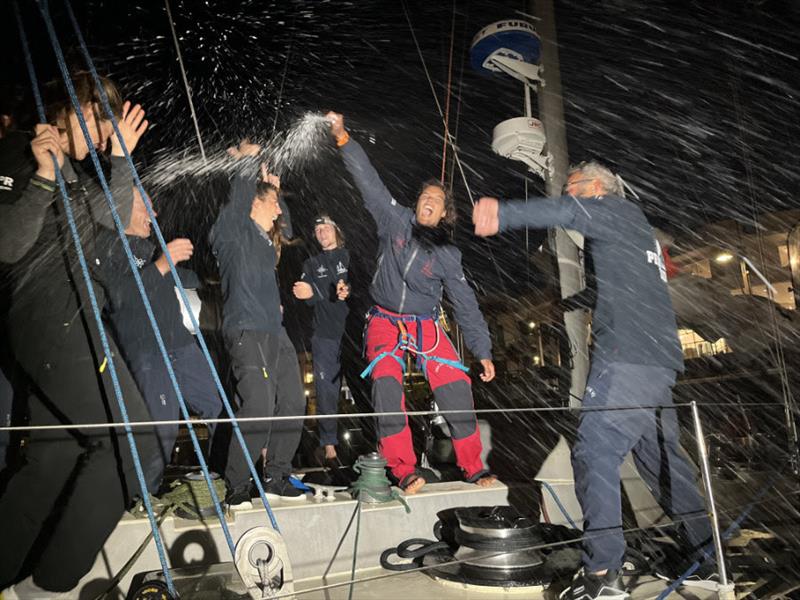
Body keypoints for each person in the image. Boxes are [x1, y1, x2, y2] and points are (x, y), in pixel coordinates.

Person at [473, 162, 715, 600]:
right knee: (661, 463)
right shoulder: (636, 227)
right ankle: (707, 559)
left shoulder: (610, 207)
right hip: (658, 363)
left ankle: (603, 574)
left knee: (593, 451)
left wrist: (503, 213)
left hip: (627, 360)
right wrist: (574, 301)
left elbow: (567, 213)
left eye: (572, 188)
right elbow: (626, 284)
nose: (569, 195)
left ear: (596, 188)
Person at [0, 72, 158, 593]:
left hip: (73, 322)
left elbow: (110, 217)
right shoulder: (22, 151)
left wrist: (121, 159)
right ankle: (52, 584)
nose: (102, 128)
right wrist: (43, 176)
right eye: (97, 114)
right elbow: (6, 244)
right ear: (69, 106)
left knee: (56, 457)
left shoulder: (77, 173)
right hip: (50, 320)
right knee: (133, 442)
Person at [326, 112, 497, 494]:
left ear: (444, 213)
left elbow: (465, 302)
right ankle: (403, 469)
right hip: (384, 320)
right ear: (415, 204)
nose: (427, 202)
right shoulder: (394, 221)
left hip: (426, 326)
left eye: (435, 200)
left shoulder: (448, 254)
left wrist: (483, 350)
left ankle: (472, 466)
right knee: (386, 386)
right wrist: (343, 139)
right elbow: (368, 182)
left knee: (455, 385)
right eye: (423, 197)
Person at [94, 186, 222, 493]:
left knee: (217, 407)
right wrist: (163, 264)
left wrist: (219, 270)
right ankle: (141, 497)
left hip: (181, 346)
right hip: (148, 352)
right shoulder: (106, 246)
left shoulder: (148, 248)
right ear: (123, 207)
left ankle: (223, 481)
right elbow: (120, 298)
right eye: (145, 206)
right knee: (160, 430)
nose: (154, 214)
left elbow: (183, 278)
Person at [210, 140, 306, 503]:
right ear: (253, 203)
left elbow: (287, 229)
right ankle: (236, 486)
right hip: (247, 330)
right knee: (259, 407)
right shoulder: (233, 233)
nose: (279, 210)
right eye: (273, 204)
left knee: (294, 401)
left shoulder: (265, 243)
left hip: (274, 332)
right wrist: (247, 164)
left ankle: (277, 474)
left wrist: (274, 190)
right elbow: (237, 200)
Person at [292, 215, 350, 462]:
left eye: (326, 227)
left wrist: (348, 290)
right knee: (326, 390)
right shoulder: (311, 264)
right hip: (324, 336)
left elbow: (364, 283)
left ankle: (381, 440)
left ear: (337, 230)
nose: (322, 232)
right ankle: (329, 445)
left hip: (354, 334)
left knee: (369, 385)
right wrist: (314, 292)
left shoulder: (350, 257)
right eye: (317, 230)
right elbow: (303, 292)